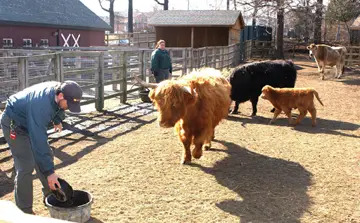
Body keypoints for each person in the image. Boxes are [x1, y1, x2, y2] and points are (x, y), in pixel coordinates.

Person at [0, 81, 83, 214]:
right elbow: (38, 139)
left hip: (29, 121)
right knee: (26, 165)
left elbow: (58, 108)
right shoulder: (41, 106)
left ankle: (51, 194)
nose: (69, 107)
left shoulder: (59, 90)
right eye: (70, 104)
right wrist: (50, 172)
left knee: (46, 156)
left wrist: (57, 119)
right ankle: (24, 210)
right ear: (61, 96)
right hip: (14, 124)